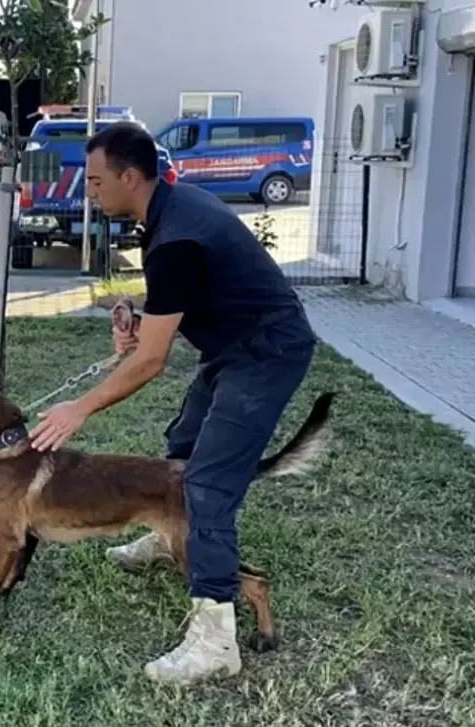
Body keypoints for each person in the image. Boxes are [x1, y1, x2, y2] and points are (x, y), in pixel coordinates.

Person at [28, 122, 317, 684]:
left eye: (94, 180)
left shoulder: (176, 235)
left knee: (206, 484)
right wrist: (139, 316)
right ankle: (169, 536)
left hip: (266, 352)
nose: (88, 191)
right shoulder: (168, 210)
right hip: (232, 346)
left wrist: (79, 408)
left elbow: (151, 362)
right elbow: (177, 298)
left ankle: (215, 641)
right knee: (181, 447)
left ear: (129, 177)